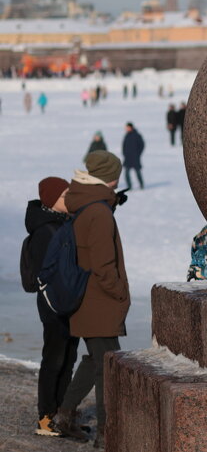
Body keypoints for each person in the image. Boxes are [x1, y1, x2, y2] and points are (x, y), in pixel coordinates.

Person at [53, 152, 130, 446]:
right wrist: (120, 292)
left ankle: (65, 415)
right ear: (110, 175)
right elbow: (102, 265)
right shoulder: (98, 212)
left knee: (94, 361)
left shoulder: (87, 204)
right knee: (108, 368)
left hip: (87, 302)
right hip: (99, 302)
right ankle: (106, 433)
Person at [24, 177, 81, 438]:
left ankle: (60, 412)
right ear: (51, 200)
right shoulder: (45, 230)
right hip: (53, 303)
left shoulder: (65, 223)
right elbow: (43, 273)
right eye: (64, 195)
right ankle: (45, 417)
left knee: (68, 357)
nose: (69, 199)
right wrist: (56, 298)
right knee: (54, 359)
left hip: (70, 302)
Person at [121, 122, 145, 190]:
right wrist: (124, 153)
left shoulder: (137, 135)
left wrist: (138, 154)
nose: (126, 129)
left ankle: (141, 185)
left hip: (135, 158)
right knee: (126, 174)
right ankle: (129, 186)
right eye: (126, 128)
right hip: (128, 158)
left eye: (127, 127)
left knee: (138, 172)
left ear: (131, 127)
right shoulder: (126, 135)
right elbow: (124, 146)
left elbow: (142, 145)